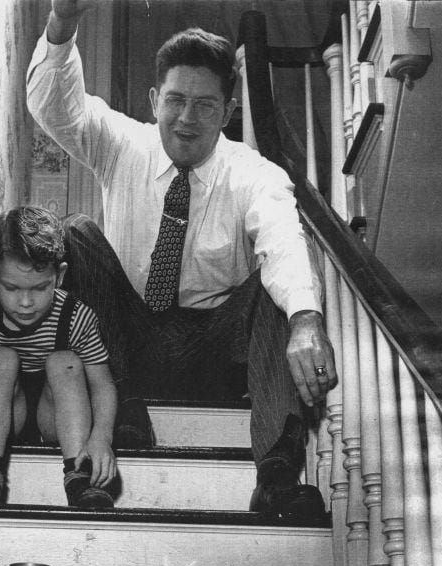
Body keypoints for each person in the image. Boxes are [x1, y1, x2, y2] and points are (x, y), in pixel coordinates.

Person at [26, 0, 338, 520]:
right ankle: (119, 406)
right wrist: (62, 23)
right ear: (154, 100)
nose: (187, 119)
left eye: (205, 105)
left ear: (229, 109)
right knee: (77, 233)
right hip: (124, 342)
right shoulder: (123, 143)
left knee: (279, 284)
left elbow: (282, 236)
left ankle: (278, 472)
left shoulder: (252, 172)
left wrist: (306, 320)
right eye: (175, 100)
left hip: (212, 351)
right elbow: (55, 109)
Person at [0, 205, 117, 510]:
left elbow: (102, 384)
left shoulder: (77, 316)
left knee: (63, 361)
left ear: (59, 276)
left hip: (58, 419)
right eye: (11, 287)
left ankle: (80, 475)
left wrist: (101, 437)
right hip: (5, 417)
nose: (25, 302)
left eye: (39, 288)